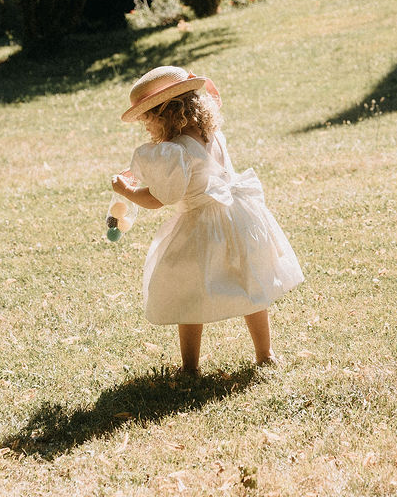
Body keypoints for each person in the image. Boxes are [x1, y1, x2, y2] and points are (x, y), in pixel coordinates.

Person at [110, 63, 303, 374]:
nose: (146, 127)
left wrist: (127, 191)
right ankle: (265, 354)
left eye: (148, 119)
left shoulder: (174, 151)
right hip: (239, 218)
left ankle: (189, 367)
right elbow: (197, 171)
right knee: (251, 284)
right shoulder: (211, 134)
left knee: (188, 290)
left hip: (200, 224)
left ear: (165, 115)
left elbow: (159, 198)